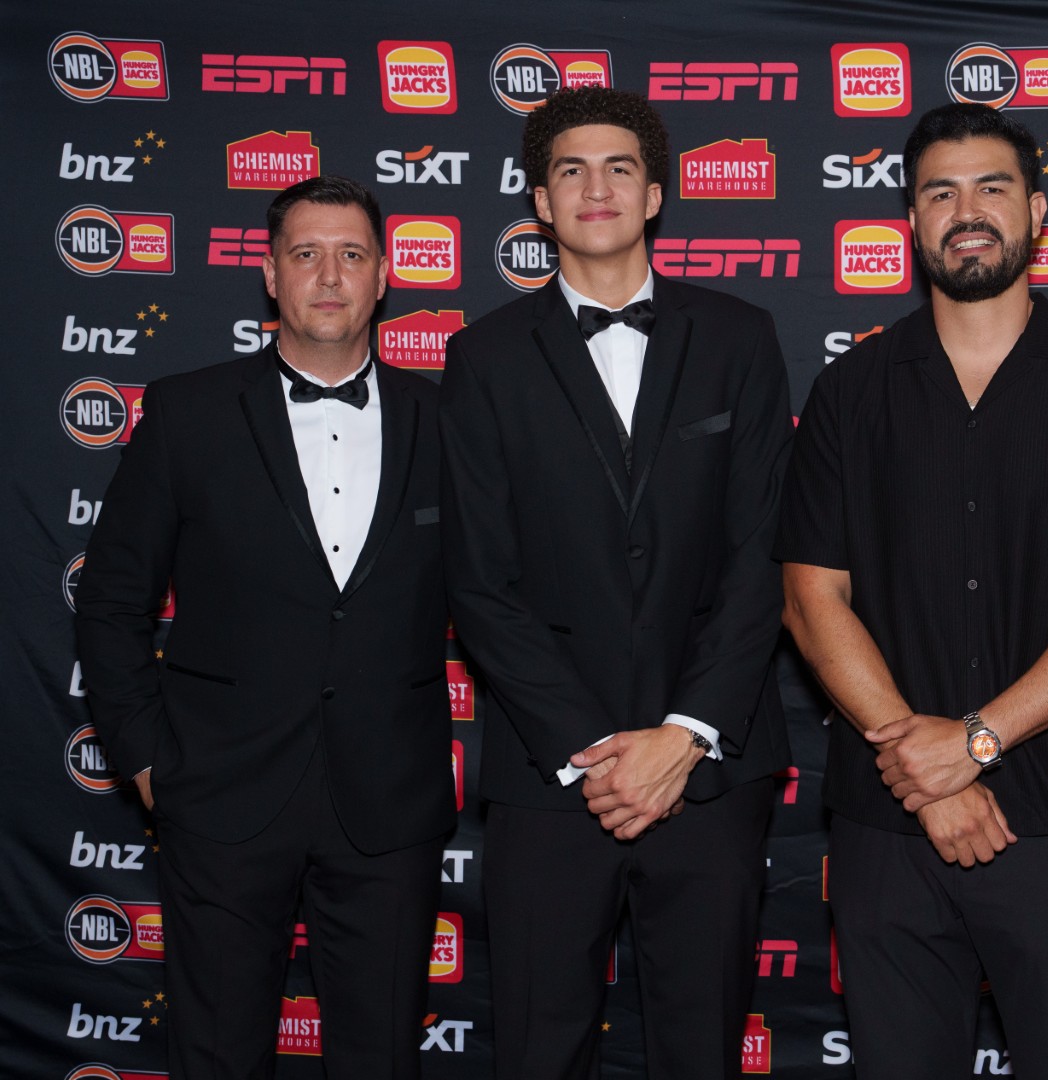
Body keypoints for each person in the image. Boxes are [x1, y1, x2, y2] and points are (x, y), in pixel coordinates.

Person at [775, 103, 1048, 1079]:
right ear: (912, 222)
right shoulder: (850, 392)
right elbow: (810, 600)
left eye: (992, 188)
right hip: (888, 826)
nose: (967, 212)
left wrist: (972, 745)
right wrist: (921, 770)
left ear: (1036, 212)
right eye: (941, 193)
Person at [440, 87, 792, 1079]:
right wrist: (596, 754)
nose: (595, 188)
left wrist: (682, 735)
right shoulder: (482, 357)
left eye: (619, 168)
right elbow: (479, 579)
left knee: (701, 1050)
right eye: (570, 171)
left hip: (710, 773)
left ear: (655, 194)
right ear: (540, 203)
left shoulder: (740, 337)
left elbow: (765, 553)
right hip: (551, 780)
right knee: (538, 1053)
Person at [75, 175, 455, 1080]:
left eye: (351, 255)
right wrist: (147, 759)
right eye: (306, 254)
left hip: (389, 799)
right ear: (271, 275)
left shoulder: (447, 420)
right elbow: (113, 599)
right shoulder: (187, 411)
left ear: (384, 277)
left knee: (381, 1060)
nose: (330, 275)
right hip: (219, 793)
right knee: (216, 1055)